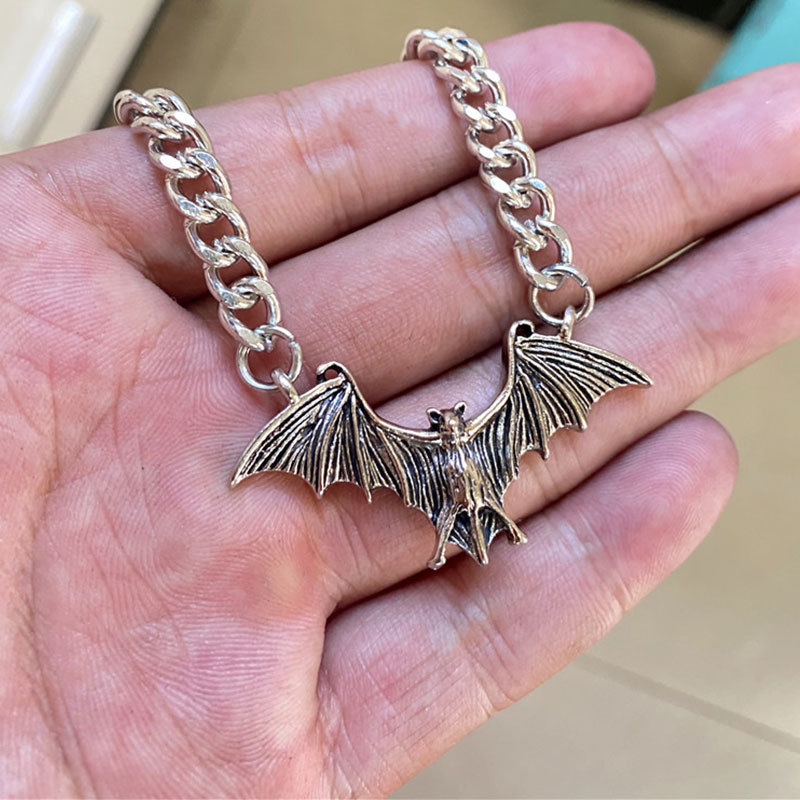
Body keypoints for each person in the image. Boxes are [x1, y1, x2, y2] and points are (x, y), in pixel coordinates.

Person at [1, 22, 797, 797]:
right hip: (427, 485)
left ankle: (477, 520)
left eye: (450, 420)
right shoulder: (361, 434)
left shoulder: (514, 398)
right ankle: (467, 523)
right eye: (445, 421)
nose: (449, 421)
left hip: (476, 481)